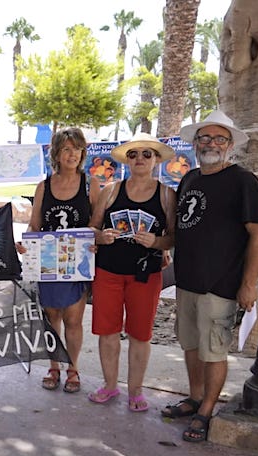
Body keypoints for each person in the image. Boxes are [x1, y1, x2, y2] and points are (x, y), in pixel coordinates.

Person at [166, 110, 258, 442]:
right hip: (188, 280)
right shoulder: (190, 179)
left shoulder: (243, 181)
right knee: (191, 345)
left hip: (220, 283)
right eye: (205, 138)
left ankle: (207, 409)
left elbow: (257, 233)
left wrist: (248, 284)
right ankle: (195, 397)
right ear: (195, 143)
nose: (211, 143)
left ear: (230, 144)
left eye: (219, 138)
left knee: (213, 350)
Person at [88, 132, 177, 412]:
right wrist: (100, 237)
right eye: (133, 154)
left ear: (156, 160)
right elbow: (92, 228)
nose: (139, 159)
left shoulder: (166, 194)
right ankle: (110, 385)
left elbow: (174, 236)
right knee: (107, 332)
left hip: (145, 275)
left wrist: (157, 242)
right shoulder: (111, 190)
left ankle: (136, 391)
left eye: (146, 154)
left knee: (140, 335)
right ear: (127, 160)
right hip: (109, 272)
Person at [22, 128, 100, 394]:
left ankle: (73, 368)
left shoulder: (90, 185)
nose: (72, 154)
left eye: (76, 149)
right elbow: (35, 224)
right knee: (52, 316)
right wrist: (27, 244)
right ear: (56, 153)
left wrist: (92, 240)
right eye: (66, 149)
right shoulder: (44, 186)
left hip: (77, 264)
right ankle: (54, 366)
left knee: (74, 319)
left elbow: (96, 224)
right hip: (48, 262)